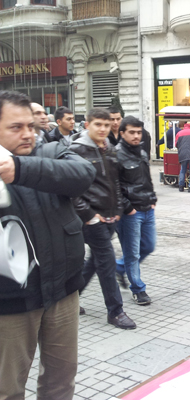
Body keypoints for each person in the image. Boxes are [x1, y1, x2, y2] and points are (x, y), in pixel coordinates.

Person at [0, 91, 95, 400]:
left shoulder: (52, 151)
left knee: (61, 379)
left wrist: (20, 169)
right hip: (10, 302)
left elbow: (83, 174)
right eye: (16, 127)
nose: (28, 133)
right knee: (8, 387)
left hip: (63, 290)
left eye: (30, 125)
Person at [70, 108, 136, 329]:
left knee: (93, 262)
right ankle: (115, 311)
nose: (103, 129)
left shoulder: (109, 149)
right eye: (98, 124)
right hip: (90, 218)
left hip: (109, 216)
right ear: (87, 125)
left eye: (106, 125)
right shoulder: (76, 150)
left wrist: (117, 209)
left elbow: (115, 183)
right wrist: (90, 216)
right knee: (106, 262)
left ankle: (70, 298)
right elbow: (71, 190)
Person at [115, 116, 157, 306]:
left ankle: (118, 267)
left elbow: (146, 178)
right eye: (131, 132)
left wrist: (153, 198)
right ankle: (138, 289)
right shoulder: (116, 155)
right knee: (132, 253)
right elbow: (114, 187)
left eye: (139, 132)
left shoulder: (141, 151)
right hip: (131, 212)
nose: (136, 136)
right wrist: (128, 208)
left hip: (147, 207)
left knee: (148, 246)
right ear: (122, 133)